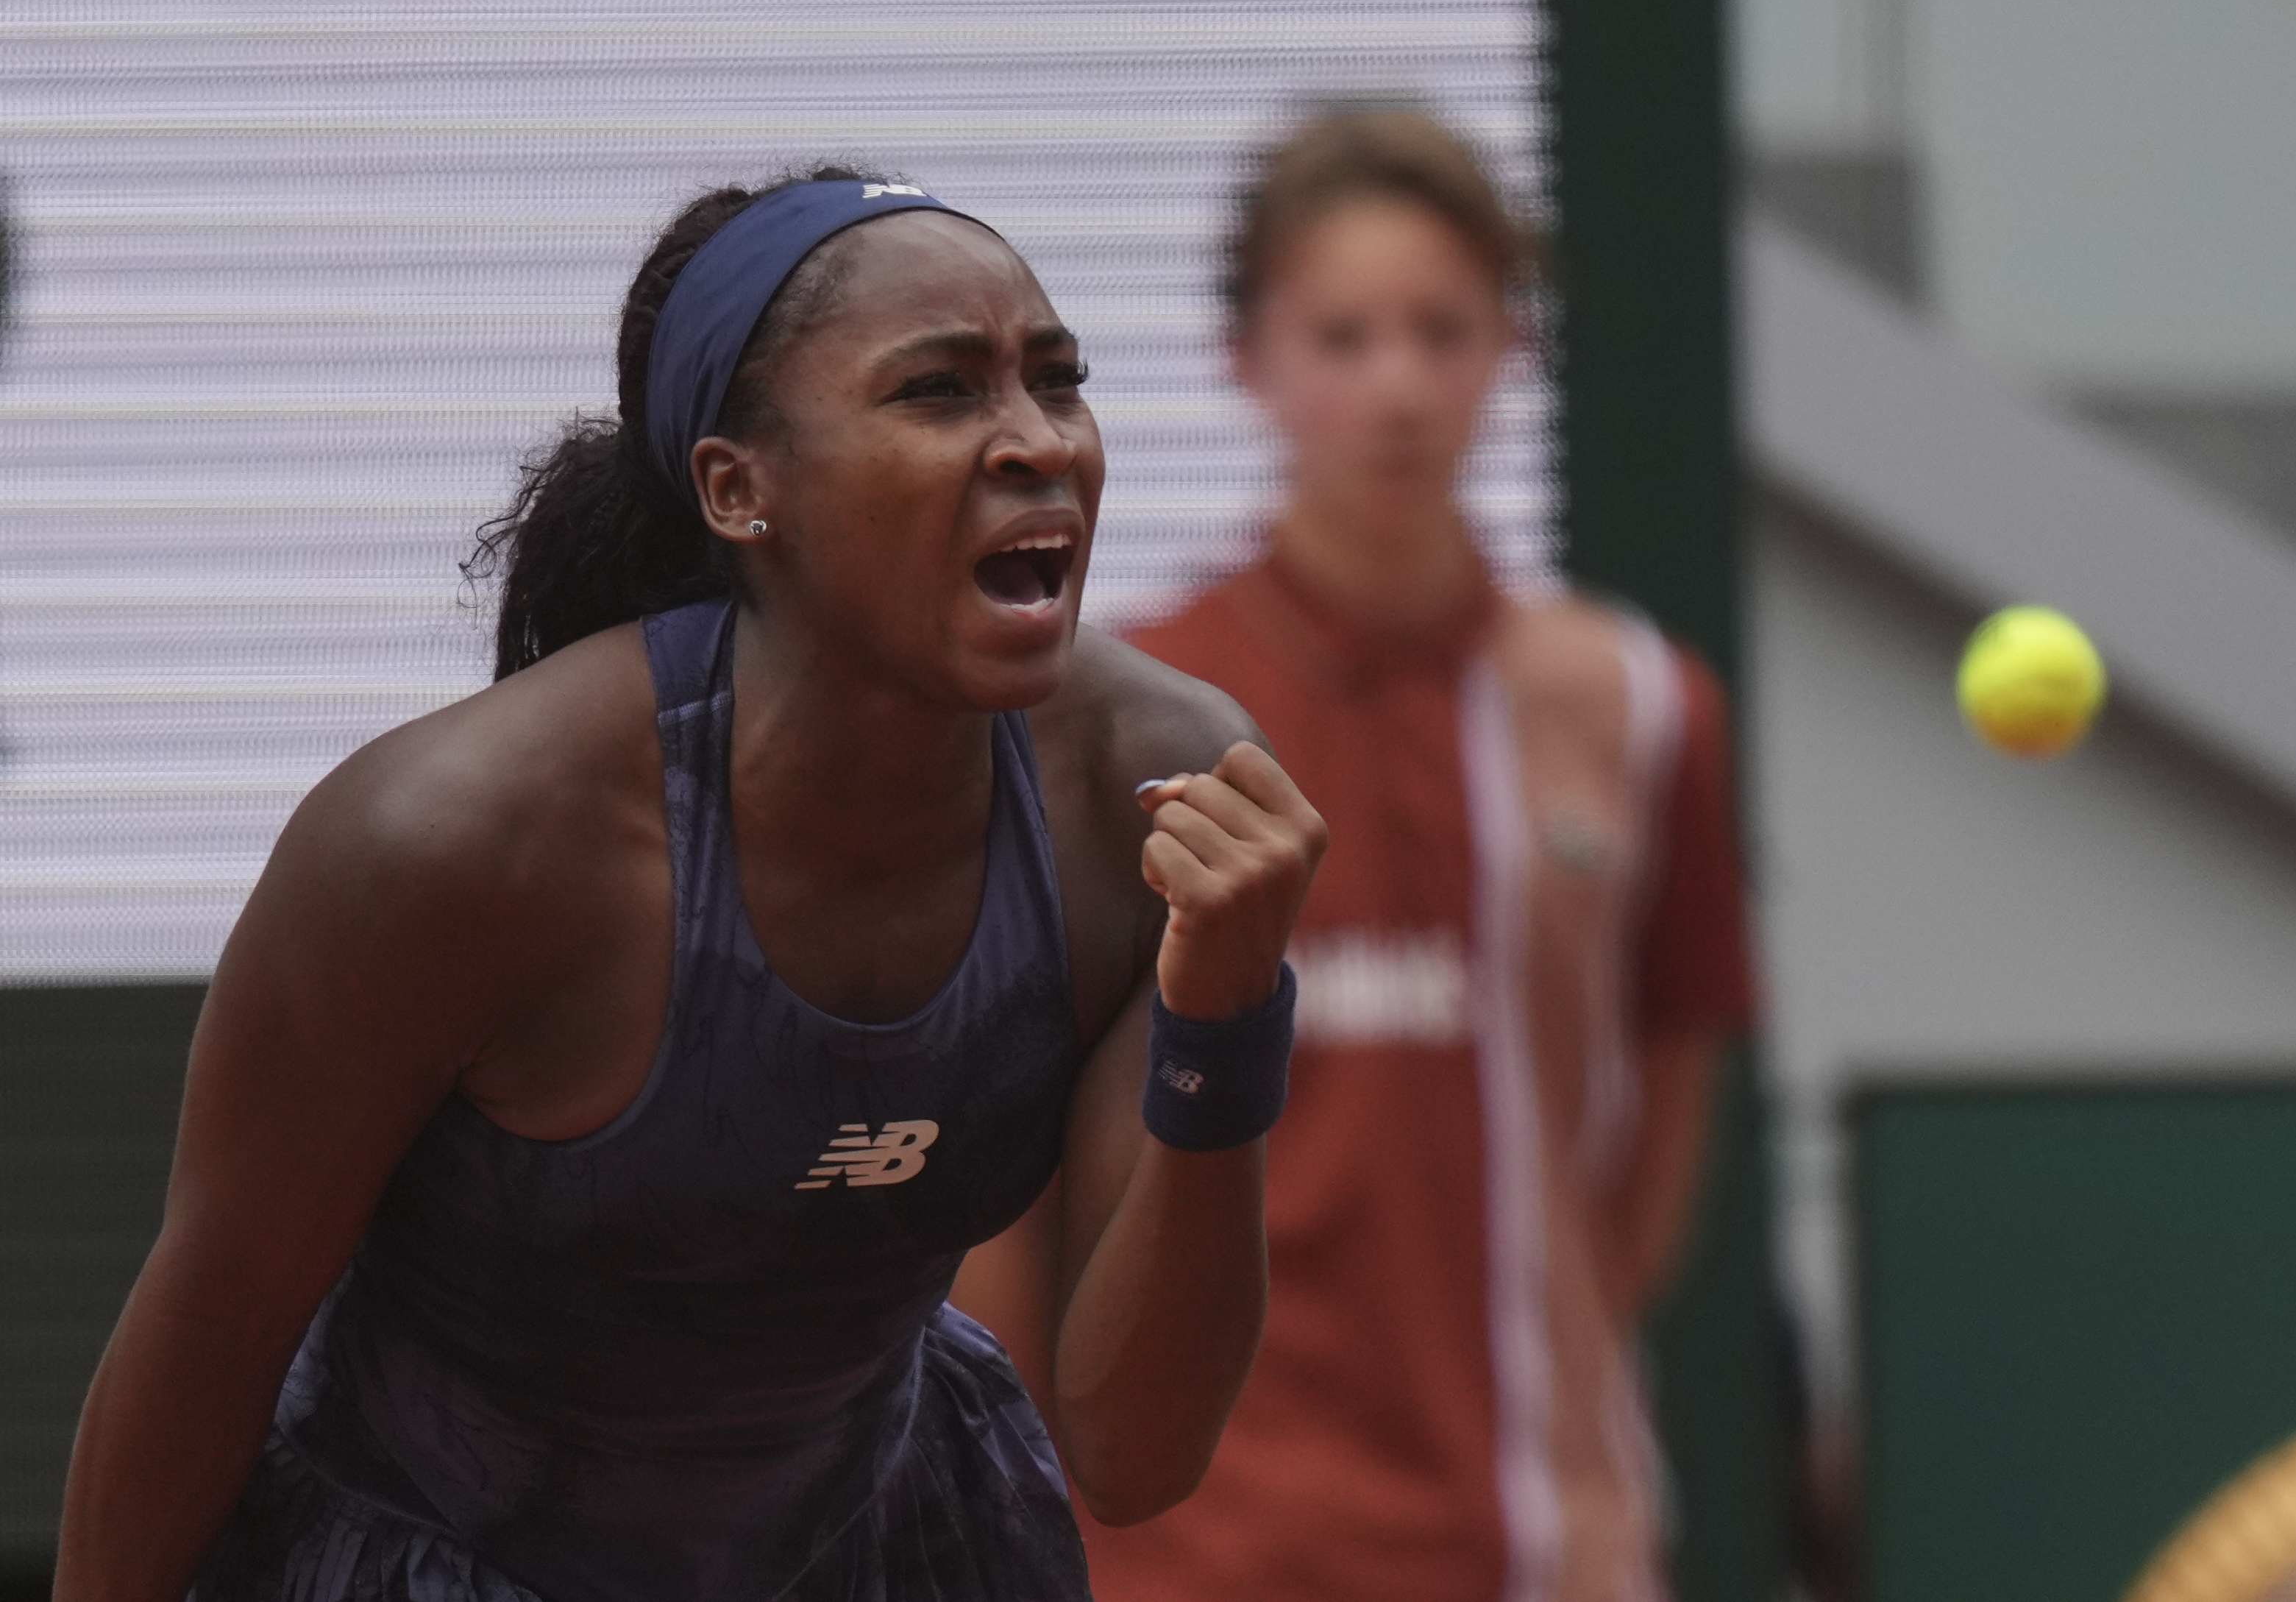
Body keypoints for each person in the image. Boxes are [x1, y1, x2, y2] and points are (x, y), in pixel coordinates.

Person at [53, 168, 1327, 1602]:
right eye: (939, 391)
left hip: (886, 1551)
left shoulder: (1147, 789)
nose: (1037, 442)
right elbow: (210, 1345)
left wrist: (1221, 1021)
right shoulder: (449, 842)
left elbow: (1137, 1455)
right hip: (441, 1561)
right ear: (739, 488)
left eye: (1057, 382)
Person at [956, 110, 1757, 1602]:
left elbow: (1659, 1129)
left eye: (1441, 330)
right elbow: (1011, 1191)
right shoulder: (1115, 721)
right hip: (1186, 1562)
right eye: (1342, 336)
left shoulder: (1641, 711)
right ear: (1246, 359)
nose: (1396, 385)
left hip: (1538, 1548)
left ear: (1509, 350)